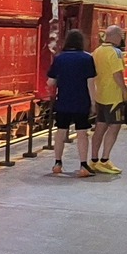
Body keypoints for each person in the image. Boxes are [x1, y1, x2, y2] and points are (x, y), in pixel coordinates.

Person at [46, 28, 97, 176]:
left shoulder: (59, 58)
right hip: (81, 101)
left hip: (63, 101)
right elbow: (90, 83)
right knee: (82, 133)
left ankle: (57, 163)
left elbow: (50, 82)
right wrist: (93, 102)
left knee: (61, 131)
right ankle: (83, 166)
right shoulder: (87, 58)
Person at [87, 24, 127, 175]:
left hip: (100, 95)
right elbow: (117, 74)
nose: (121, 39)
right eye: (121, 36)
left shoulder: (96, 51)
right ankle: (105, 160)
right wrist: (125, 90)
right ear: (115, 36)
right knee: (114, 127)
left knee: (100, 127)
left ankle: (94, 159)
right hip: (113, 96)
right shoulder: (116, 52)